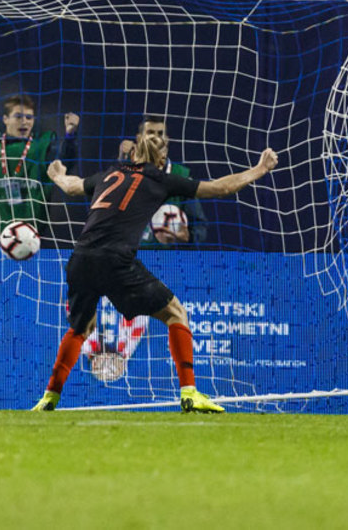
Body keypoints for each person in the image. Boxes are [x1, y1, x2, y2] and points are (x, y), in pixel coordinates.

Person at [33, 133, 277, 412]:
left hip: (80, 258)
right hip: (116, 260)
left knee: (80, 328)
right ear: (161, 160)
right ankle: (189, 392)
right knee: (175, 313)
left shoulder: (110, 173)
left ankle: (49, 398)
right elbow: (219, 188)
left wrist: (57, 175)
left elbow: (72, 186)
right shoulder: (160, 178)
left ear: (133, 154)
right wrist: (260, 169)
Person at [0, 94, 79, 239]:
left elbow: (66, 164)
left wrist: (70, 135)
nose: (24, 122)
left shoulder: (43, 145)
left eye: (29, 117)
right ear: (5, 119)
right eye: (18, 116)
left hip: (30, 233)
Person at [117, 115, 209, 246]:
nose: (156, 137)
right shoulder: (126, 173)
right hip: (131, 257)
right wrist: (122, 162)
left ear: (167, 139)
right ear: (139, 139)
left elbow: (199, 225)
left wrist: (189, 237)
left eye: (160, 133)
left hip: (169, 260)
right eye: (150, 133)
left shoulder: (181, 176)